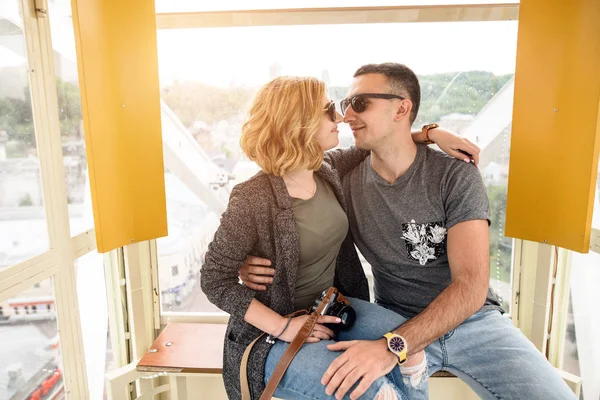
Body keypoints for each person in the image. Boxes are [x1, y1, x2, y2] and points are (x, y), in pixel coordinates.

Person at [241, 63, 578, 400]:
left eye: (360, 104)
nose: (345, 116)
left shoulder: (455, 177)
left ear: (401, 108)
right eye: (344, 105)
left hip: (473, 324)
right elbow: (284, 187)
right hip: (390, 320)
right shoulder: (339, 176)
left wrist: (392, 347)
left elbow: (471, 287)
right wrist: (249, 259)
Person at [200, 75, 478, 400]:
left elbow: (377, 144)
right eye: (329, 109)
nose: (341, 117)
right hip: (271, 333)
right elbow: (214, 280)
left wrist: (432, 133)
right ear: (298, 123)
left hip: (332, 309)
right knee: (375, 391)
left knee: (411, 349)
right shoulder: (252, 198)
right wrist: (283, 327)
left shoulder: (326, 168)